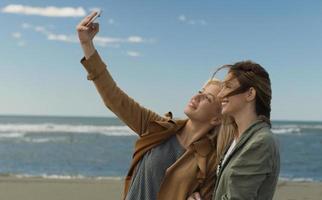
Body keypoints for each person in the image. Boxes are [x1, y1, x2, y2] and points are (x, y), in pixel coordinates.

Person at [76, 12, 233, 200]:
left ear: (217, 118)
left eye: (207, 97)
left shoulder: (212, 161)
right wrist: (87, 44)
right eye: (199, 91)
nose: (196, 97)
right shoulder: (158, 127)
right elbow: (114, 98)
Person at [188, 61, 280, 200]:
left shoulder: (260, 142)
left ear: (250, 94)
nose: (220, 95)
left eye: (228, 87)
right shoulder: (238, 139)